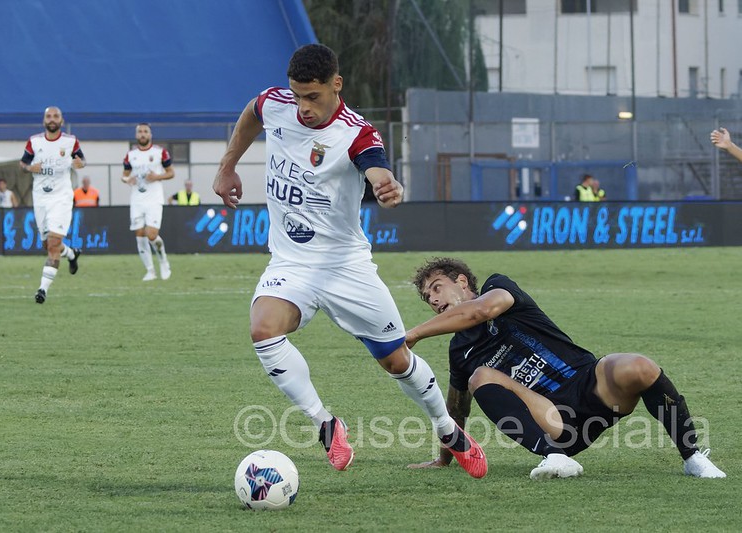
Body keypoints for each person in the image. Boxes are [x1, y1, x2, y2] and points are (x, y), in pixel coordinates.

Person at [212, 43, 487, 478]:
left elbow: (376, 167)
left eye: (313, 96)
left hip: (346, 267)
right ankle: (325, 425)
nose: (302, 107)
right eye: (297, 94)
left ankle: (447, 428)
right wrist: (228, 165)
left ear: (336, 85)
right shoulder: (275, 103)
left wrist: (386, 184)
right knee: (263, 330)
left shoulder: (357, 133)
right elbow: (252, 112)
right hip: (292, 263)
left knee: (395, 360)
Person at [406, 257, 726, 479]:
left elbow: (483, 310)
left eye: (436, 287)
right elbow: (455, 410)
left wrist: (415, 333)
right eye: (426, 297)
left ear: (461, 281)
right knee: (481, 377)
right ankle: (556, 457)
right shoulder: (460, 350)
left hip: (591, 385)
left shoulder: (497, 288)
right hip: (555, 422)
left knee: (639, 366)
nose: (433, 300)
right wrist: (445, 458)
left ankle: (693, 457)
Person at [19, 106, 83, 304]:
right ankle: (71, 254)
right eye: (49, 116)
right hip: (41, 199)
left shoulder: (70, 141)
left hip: (62, 198)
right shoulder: (34, 141)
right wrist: (30, 167)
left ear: (62, 121)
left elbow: (80, 159)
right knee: (48, 245)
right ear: (44, 121)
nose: (52, 119)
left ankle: (42, 290)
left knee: (53, 244)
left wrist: (80, 163)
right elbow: (22, 164)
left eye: (56, 116)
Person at [121, 123, 174, 281]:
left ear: (150, 135)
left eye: (145, 131)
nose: (143, 134)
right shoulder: (130, 155)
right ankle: (150, 270)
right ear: (136, 135)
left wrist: (157, 177)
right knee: (139, 234)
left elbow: (171, 173)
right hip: (137, 199)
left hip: (154, 199)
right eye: (140, 132)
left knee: (151, 234)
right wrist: (127, 179)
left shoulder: (160, 152)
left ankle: (163, 261)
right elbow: (124, 176)